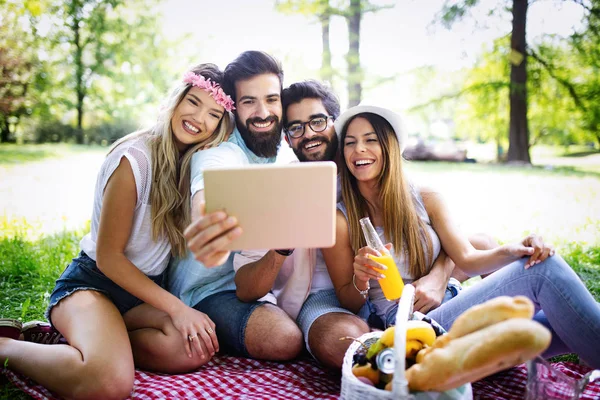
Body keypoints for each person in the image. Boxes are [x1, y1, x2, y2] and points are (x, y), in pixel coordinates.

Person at [0, 63, 234, 399]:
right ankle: (7, 345)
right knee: (108, 383)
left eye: (213, 114)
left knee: (193, 349)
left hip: (139, 294)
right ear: (177, 99)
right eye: (193, 102)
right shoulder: (134, 160)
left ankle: (98, 342)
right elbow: (109, 258)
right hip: (94, 282)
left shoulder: (194, 164)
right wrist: (178, 308)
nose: (199, 118)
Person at [323, 104, 600, 368]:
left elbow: (468, 259)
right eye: (350, 142)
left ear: (389, 146)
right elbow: (348, 300)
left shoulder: (426, 198)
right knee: (544, 272)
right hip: (412, 331)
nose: (359, 149)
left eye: (370, 139)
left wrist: (516, 249)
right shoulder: (341, 219)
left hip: (451, 309)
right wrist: (360, 278)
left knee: (563, 317)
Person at [167, 50, 304, 362]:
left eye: (271, 99)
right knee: (284, 340)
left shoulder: (284, 149)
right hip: (207, 292)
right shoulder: (221, 151)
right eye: (248, 102)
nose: (263, 112)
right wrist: (206, 222)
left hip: (257, 280)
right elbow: (208, 186)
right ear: (233, 108)